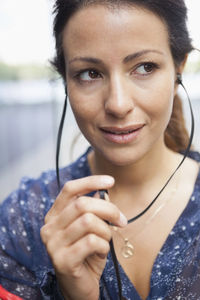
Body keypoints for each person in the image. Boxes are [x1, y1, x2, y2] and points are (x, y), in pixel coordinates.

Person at [0, 0, 200, 299]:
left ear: (178, 70)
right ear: (66, 81)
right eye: (90, 73)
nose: (118, 105)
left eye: (145, 67)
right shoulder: (23, 221)